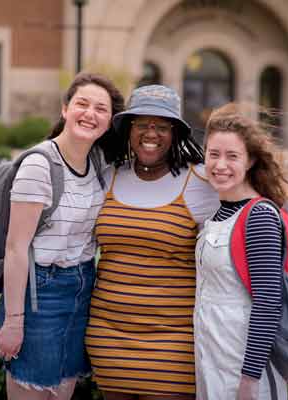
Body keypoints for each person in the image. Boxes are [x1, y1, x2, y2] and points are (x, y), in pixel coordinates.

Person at [0, 72, 124, 400]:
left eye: (100, 109)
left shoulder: (99, 165)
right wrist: (13, 321)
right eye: (82, 104)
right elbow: (15, 248)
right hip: (39, 293)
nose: (90, 113)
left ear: (109, 122)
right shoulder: (40, 165)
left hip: (82, 289)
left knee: (62, 392)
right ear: (65, 109)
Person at [85, 84, 220, 399]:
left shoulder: (201, 182)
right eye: (142, 124)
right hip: (108, 339)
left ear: (175, 134)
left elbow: (244, 213)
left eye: (161, 126)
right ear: (129, 130)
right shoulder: (108, 175)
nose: (151, 133)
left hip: (173, 344)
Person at [194, 103, 288, 399]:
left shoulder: (259, 216)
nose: (220, 165)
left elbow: (268, 302)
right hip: (212, 359)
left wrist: (250, 380)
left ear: (250, 161)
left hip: (244, 369)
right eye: (213, 154)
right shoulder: (219, 213)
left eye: (232, 156)